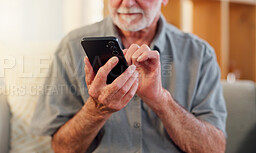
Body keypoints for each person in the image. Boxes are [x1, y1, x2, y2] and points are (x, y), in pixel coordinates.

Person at [30, 0, 227, 152]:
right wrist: (97, 110)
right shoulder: (72, 46)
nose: (127, 3)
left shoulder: (199, 54)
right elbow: (62, 149)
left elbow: (214, 148)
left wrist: (160, 100)